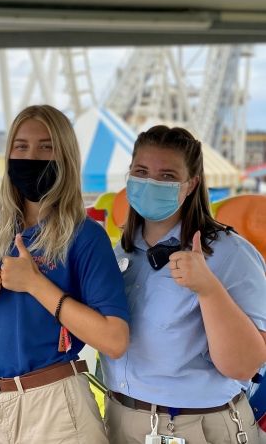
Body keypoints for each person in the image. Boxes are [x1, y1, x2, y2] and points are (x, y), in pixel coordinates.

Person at [0, 104, 130, 444]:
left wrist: (36, 284)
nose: (31, 156)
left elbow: (114, 339)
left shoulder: (85, 236)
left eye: (45, 147)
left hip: (54, 404)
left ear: (64, 156)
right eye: (21, 147)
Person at [101, 125, 266, 444]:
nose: (150, 182)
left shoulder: (230, 254)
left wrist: (208, 289)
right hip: (121, 420)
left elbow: (246, 365)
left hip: (197, 426)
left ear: (191, 184)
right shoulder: (121, 251)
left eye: (166, 176)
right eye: (141, 171)